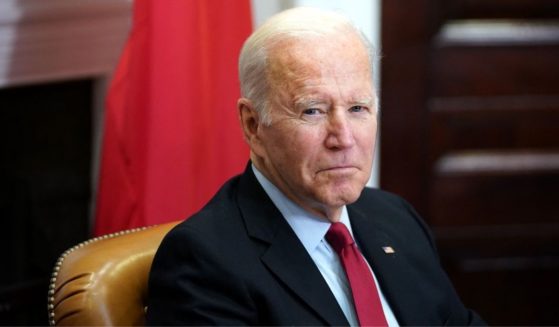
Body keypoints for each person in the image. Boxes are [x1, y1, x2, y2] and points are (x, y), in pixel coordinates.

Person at [146, 7, 484, 326]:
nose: (344, 138)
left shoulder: (396, 218)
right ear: (253, 125)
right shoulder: (204, 261)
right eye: (313, 111)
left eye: (357, 108)